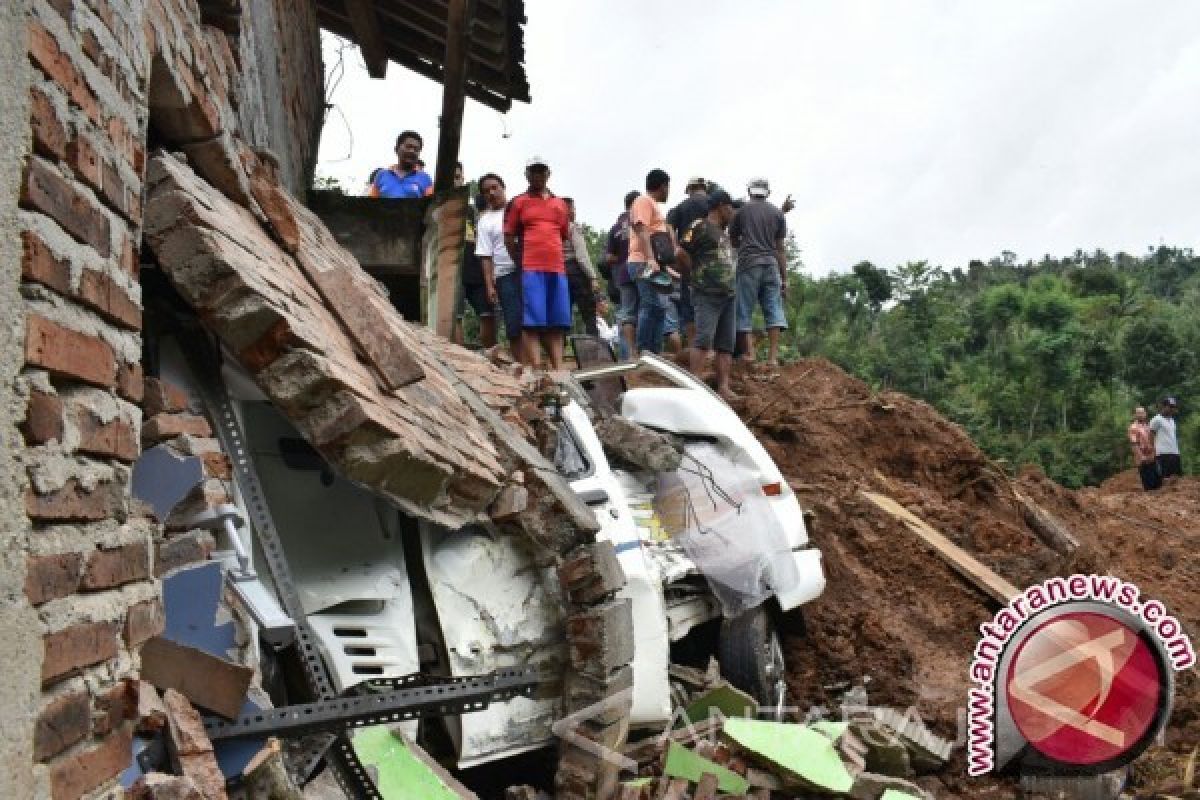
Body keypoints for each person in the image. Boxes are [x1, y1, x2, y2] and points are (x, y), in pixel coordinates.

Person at [504, 156, 571, 370]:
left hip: (556, 268)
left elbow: (563, 234)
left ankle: (559, 369)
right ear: (527, 175)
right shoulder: (518, 202)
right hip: (530, 268)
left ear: (548, 174)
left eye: (542, 171)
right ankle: (537, 366)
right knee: (531, 320)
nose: (538, 175)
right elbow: (509, 236)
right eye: (534, 171)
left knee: (557, 321)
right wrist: (519, 260)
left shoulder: (560, 204)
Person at [677, 190, 739, 402]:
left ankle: (723, 387)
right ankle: (693, 384)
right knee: (703, 339)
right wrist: (694, 273)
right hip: (707, 292)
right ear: (721, 205)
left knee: (726, 344)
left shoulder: (723, 232)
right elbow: (680, 252)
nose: (732, 211)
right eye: (730, 207)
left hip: (729, 294)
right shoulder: (699, 226)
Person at [730, 177, 789, 365]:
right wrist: (784, 278)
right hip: (771, 264)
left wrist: (745, 245)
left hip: (749, 264)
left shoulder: (741, 212)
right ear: (768, 193)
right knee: (773, 309)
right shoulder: (777, 214)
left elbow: (733, 240)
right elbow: (780, 248)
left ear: (749, 192)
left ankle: (750, 354)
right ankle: (772, 358)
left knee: (744, 309)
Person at [476, 173, 522, 360]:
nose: (492, 193)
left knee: (536, 321)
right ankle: (523, 366)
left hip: (528, 271)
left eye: (495, 187)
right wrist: (489, 285)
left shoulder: (519, 208)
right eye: (486, 191)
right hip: (504, 275)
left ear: (503, 187)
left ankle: (542, 365)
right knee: (514, 324)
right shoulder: (484, 221)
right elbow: (485, 256)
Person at [628, 169, 674, 355]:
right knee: (650, 304)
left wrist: (664, 266)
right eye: (668, 187)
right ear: (662, 186)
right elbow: (641, 229)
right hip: (642, 262)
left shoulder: (652, 204)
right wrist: (650, 259)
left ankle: (655, 353)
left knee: (660, 307)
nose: (668, 191)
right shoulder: (643, 201)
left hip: (653, 263)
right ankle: (644, 351)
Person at [453, 163, 496, 348]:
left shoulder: (472, 211)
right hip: (452, 271)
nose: (456, 181)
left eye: (458, 177)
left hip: (476, 269)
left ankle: (490, 359)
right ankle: (458, 358)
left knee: (488, 314)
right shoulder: (435, 206)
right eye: (452, 177)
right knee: (456, 316)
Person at [666, 176, 710, 346]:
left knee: (689, 306)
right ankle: (711, 350)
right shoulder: (715, 203)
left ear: (689, 189)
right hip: (715, 263)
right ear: (704, 188)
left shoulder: (680, 208)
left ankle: (694, 349)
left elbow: (668, 228)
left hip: (688, 262)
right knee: (713, 305)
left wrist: (676, 248)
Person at [607, 190, 640, 359]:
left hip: (623, 274)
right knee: (645, 311)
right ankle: (644, 354)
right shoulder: (643, 220)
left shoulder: (616, 227)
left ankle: (628, 356)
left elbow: (609, 257)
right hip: (643, 271)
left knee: (627, 314)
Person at [561, 198, 601, 335]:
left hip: (559, 273)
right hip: (576, 272)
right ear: (568, 210)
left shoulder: (554, 229)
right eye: (573, 208)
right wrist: (592, 277)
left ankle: (559, 349)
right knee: (589, 314)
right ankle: (593, 349)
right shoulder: (572, 227)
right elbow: (582, 256)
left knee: (563, 314)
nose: (574, 212)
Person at [367, 131, 433, 198]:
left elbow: (431, 206)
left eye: (416, 149)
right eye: (408, 147)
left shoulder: (425, 178)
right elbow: (371, 204)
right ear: (396, 149)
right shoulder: (381, 175)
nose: (412, 151)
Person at [1128, 406, 1161, 491]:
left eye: (1142, 412)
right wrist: (1141, 457)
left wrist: (1154, 454)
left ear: (1145, 414)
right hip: (1143, 460)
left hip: (1152, 457)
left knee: (1158, 482)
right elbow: (1134, 444)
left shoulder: (1148, 426)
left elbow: (1153, 441)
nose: (1140, 415)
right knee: (1149, 484)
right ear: (1135, 415)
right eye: (1138, 413)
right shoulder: (1133, 427)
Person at [1149, 397, 1182, 480]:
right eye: (1170, 407)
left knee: (1176, 478)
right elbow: (1151, 435)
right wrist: (1153, 450)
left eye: (1173, 407)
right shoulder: (1156, 419)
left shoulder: (1172, 420)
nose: (1172, 409)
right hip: (1163, 453)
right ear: (1163, 406)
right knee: (1165, 478)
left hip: (1174, 452)